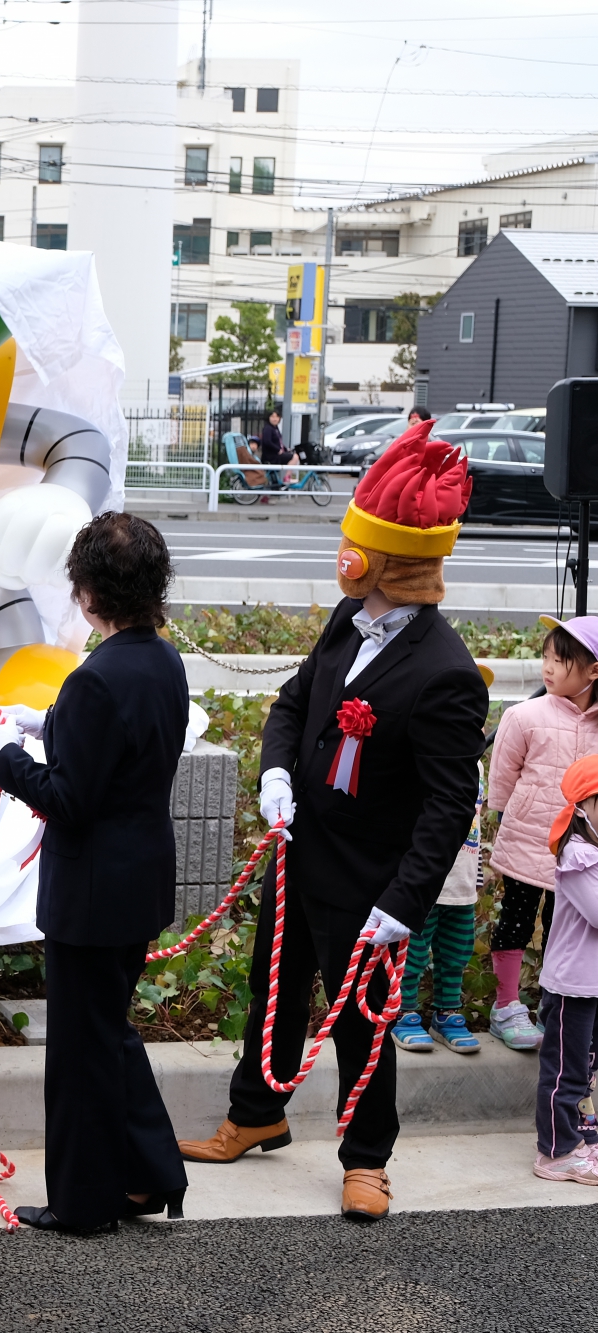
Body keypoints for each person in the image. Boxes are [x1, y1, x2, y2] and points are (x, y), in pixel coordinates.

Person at [176, 421, 488, 1221]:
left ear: (385, 560)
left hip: (371, 879)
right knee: (271, 990)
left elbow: (452, 801)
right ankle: (257, 1111)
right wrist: (276, 770)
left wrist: (404, 901)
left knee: (362, 1021)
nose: (341, 550)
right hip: (300, 849)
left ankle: (367, 1157)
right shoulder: (344, 620)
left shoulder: (447, 671)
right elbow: (291, 703)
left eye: (354, 541)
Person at [0, 511, 191, 1233]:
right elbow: (123, 748)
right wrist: (55, 724)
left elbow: (69, 797)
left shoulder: (94, 680)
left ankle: (83, 1204)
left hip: (91, 889)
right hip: (139, 878)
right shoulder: (162, 660)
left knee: (82, 1050)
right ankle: (145, 1175)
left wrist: (10, 761)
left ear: (86, 592)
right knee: (107, 1031)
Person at [479, 616, 598, 1051]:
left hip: (583, 850)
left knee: (561, 926)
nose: (547, 668)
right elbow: (503, 776)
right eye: (545, 657)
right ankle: (506, 1005)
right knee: (516, 918)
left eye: (559, 660)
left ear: (593, 671)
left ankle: (554, 1006)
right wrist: (507, 815)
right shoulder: (524, 715)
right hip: (529, 839)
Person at [532, 757, 598, 1184]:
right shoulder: (577, 856)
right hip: (573, 986)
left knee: (587, 1065)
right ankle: (556, 1151)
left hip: (592, 985)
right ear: (584, 806)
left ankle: (583, 1138)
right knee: (565, 1070)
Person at [391, 771, 485, 1055]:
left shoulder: (476, 766)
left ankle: (447, 1013)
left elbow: (474, 826)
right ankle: (403, 1011)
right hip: (426, 884)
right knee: (414, 952)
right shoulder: (429, 757)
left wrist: (475, 876)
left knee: (456, 953)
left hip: (462, 885)